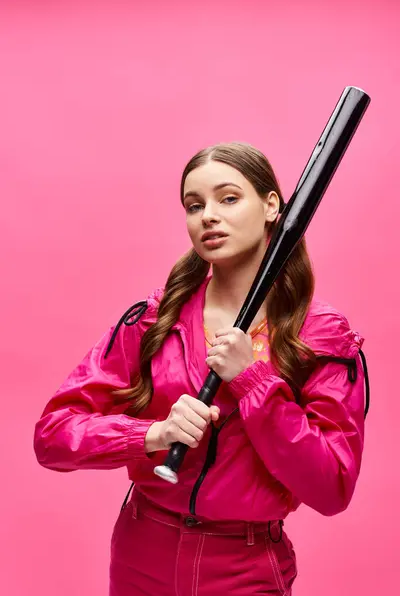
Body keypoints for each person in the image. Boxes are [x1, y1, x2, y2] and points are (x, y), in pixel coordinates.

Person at [34, 142, 368, 596]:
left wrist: (252, 380)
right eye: (195, 205)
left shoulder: (322, 335)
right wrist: (152, 435)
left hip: (243, 569)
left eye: (228, 198)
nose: (208, 215)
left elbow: (331, 487)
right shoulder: (157, 318)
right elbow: (54, 436)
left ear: (273, 206)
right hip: (141, 553)